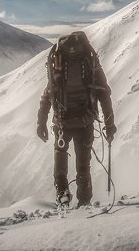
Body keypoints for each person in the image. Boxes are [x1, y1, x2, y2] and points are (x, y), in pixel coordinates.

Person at [36, 31, 116, 207]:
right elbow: (104, 94)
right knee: (83, 164)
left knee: (60, 154)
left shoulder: (58, 62)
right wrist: (109, 124)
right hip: (85, 121)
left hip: (62, 121)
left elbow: (48, 94)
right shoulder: (90, 62)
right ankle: (85, 200)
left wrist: (41, 123)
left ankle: (62, 194)